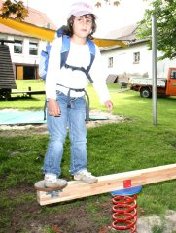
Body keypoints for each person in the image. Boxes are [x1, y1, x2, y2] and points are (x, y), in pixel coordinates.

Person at [42, 1, 113, 188]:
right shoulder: (60, 44)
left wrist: (105, 97)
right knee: (58, 138)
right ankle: (51, 174)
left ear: (92, 26)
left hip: (79, 99)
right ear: (71, 22)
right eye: (80, 19)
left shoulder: (93, 49)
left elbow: (97, 76)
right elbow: (52, 73)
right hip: (59, 95)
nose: (84, 23)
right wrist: (51, 99)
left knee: (80, 138)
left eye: (88, 20)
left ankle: (79, 171)